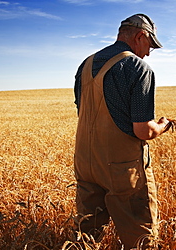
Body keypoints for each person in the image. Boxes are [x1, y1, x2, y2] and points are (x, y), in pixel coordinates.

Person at [73, 13, 170, 249]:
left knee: (88, 234)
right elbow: (142, 131)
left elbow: (83, 112)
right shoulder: (138, 68)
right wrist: (162, 126)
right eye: (150, 46)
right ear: (140, 36)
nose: (148, 53)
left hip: (85, 163)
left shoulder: (85, 65)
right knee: (140, 237)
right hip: (121, 168)